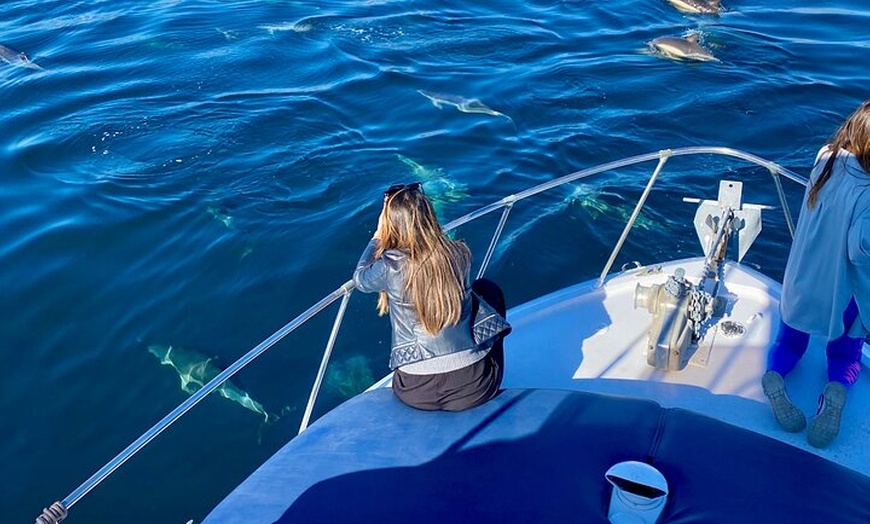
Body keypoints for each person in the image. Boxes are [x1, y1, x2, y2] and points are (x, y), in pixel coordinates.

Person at [762, 100, 870, 448]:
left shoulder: (825, 157)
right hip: (844, 293)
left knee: (789, 341)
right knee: (844, 353)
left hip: (802, 277)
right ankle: (836, 390)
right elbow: (860, 253)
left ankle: (775, 376)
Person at [353, 182, 511, 411]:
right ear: (429, 216)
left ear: (390, 224)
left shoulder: (389, 266)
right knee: (487, 290)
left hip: (415, 393)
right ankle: (474, 356)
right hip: (476, 388)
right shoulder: (460, 252)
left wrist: (377, 237)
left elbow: (360, 279)